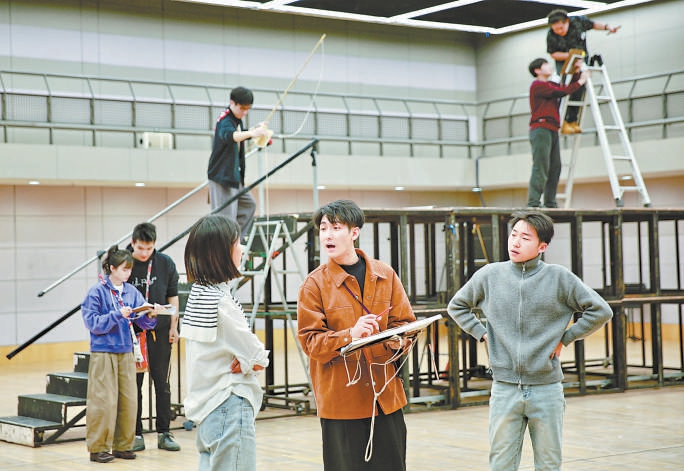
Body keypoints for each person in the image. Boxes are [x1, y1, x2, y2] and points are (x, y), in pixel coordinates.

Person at [447, 210, 613, 471]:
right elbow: (457, 306)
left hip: (546, 388)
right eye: (513, 235)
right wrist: (482, 333)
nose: (515, 242)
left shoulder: (559, 278)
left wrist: (566, 338)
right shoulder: (490, 275)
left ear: (542, 247)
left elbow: (601, 310)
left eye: (525, 238)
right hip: (504, 388)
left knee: (548, 464)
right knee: (501, 464)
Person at [297, 199, 416, 471]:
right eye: (323, 228)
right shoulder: (314, 285)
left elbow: (405, 323)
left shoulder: (385, 275)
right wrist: (350, 335)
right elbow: (310, 342)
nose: (327, 235)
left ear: (354, 232)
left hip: (385, 400)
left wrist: (397, 340)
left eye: (336, 228)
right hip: (342, 405)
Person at [180, 215, 270, 471]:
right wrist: (248, 362)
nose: (242, 248)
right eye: (237, 243)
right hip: (228, 405)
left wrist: (245, 361)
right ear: (220, 253)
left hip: (206, 409)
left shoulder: (198, 294)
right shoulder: (222, 303)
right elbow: (258, 357)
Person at [81, 246, 159, 463]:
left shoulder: (132, 292)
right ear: (112, 268)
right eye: (124, 269)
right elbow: (92, 323)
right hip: (103, 352)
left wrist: (151, 315)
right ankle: (98, 448)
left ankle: (123, 445)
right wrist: (116, 315)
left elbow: (142, 322)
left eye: (130, 270)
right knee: (103, 401)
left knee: (128, 400)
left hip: (126, 351)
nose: (128, 273)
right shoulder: (96, 292)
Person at [126, 222, 181, 452]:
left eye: (149, 249)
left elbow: (173, 297)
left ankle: (164, 433)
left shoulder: (165, 263)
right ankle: (136, 433)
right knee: (134, 385)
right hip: (133, 334)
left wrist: (174, 327)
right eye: (140, 248)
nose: (144, 253)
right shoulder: (123, 262)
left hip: (160, 331)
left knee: (162, 383)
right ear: (132, 243)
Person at [208, 86, 269, 240]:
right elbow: (231, 136)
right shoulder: (225, 120)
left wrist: (256, 132)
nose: (245, 112)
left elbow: (241, 133)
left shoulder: (237, 121)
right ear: (232, 103)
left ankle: (233, 240)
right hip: (222, 177)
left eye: (248, 109)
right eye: (242, 108)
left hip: (235, 177)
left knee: (248, 205)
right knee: (225, 218)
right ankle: (225, 244)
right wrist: (252, 133)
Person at [526, 57, 589, 208]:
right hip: (541, 128)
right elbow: (562, 91)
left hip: (552, 128)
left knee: (555, 167)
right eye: (545, 65)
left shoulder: (549, 85)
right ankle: (534, 202)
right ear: (537, 70)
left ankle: (550, 202)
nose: (549, 67)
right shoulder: (537, 85)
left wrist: (576, 73)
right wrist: (581, 81)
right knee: (541, 165)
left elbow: (565, 87)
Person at [546, 8, 620, 134]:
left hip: (581, 58)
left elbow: (593, 24)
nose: (559, 32)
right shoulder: (551, 35)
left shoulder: (578, 22)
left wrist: (608, 27)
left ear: (567, 22)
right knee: (564, 87)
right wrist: (570, 56)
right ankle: (561, 120)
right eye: (556, 29)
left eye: (561, 28)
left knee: (580, 88)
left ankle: (572, 120)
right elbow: (553, 54)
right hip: (564, 61)